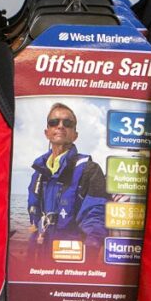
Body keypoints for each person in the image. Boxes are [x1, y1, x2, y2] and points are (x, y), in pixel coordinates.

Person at [27, 103, 107, 251]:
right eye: (54, 122)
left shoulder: (90, 170)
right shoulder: (37, 174)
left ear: (75, 135)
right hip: (39, 253)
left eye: (68, 123)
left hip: (71, 255)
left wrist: (89, 253)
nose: (60, 126)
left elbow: (95, 217)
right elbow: (34, 219)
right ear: (47, 133)